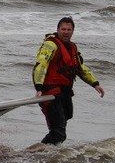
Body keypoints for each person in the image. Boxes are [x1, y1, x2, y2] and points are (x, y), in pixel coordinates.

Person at [33, 17, 104, 145]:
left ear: (73, 31)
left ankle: (50, 154)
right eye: (63, 29)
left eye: (69, 29)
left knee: (62, 126)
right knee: (58, 132)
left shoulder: (72, 47)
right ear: (58, 30)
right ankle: (35, 152)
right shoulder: (50, 45)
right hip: (50, 93)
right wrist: (38, 87)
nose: (66, 32)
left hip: (65, 93)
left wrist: (95, 83)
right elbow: (41, 65)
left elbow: (80, 68)